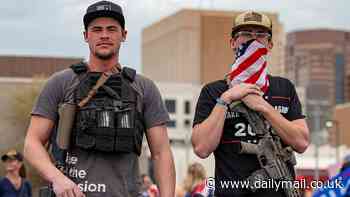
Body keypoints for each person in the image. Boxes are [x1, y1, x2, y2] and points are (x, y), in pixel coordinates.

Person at [23, 1, 175, 197]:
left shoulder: (144, 87)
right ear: (86, 36)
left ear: (124, 35)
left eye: (112, 29)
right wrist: (57, 179)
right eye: (97, 29)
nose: (104, 35)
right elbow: (32, 143)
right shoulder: (61, 83)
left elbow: (161, 153)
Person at [191, 11, 310, 197]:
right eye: (246, 34)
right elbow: (201, 148)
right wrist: (226, 99)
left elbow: (302, 142)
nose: (253, 40)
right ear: (233, 43)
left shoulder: (284, 89)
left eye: (260, 35)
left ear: (269, 45)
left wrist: (264, 107)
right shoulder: (213, 92)